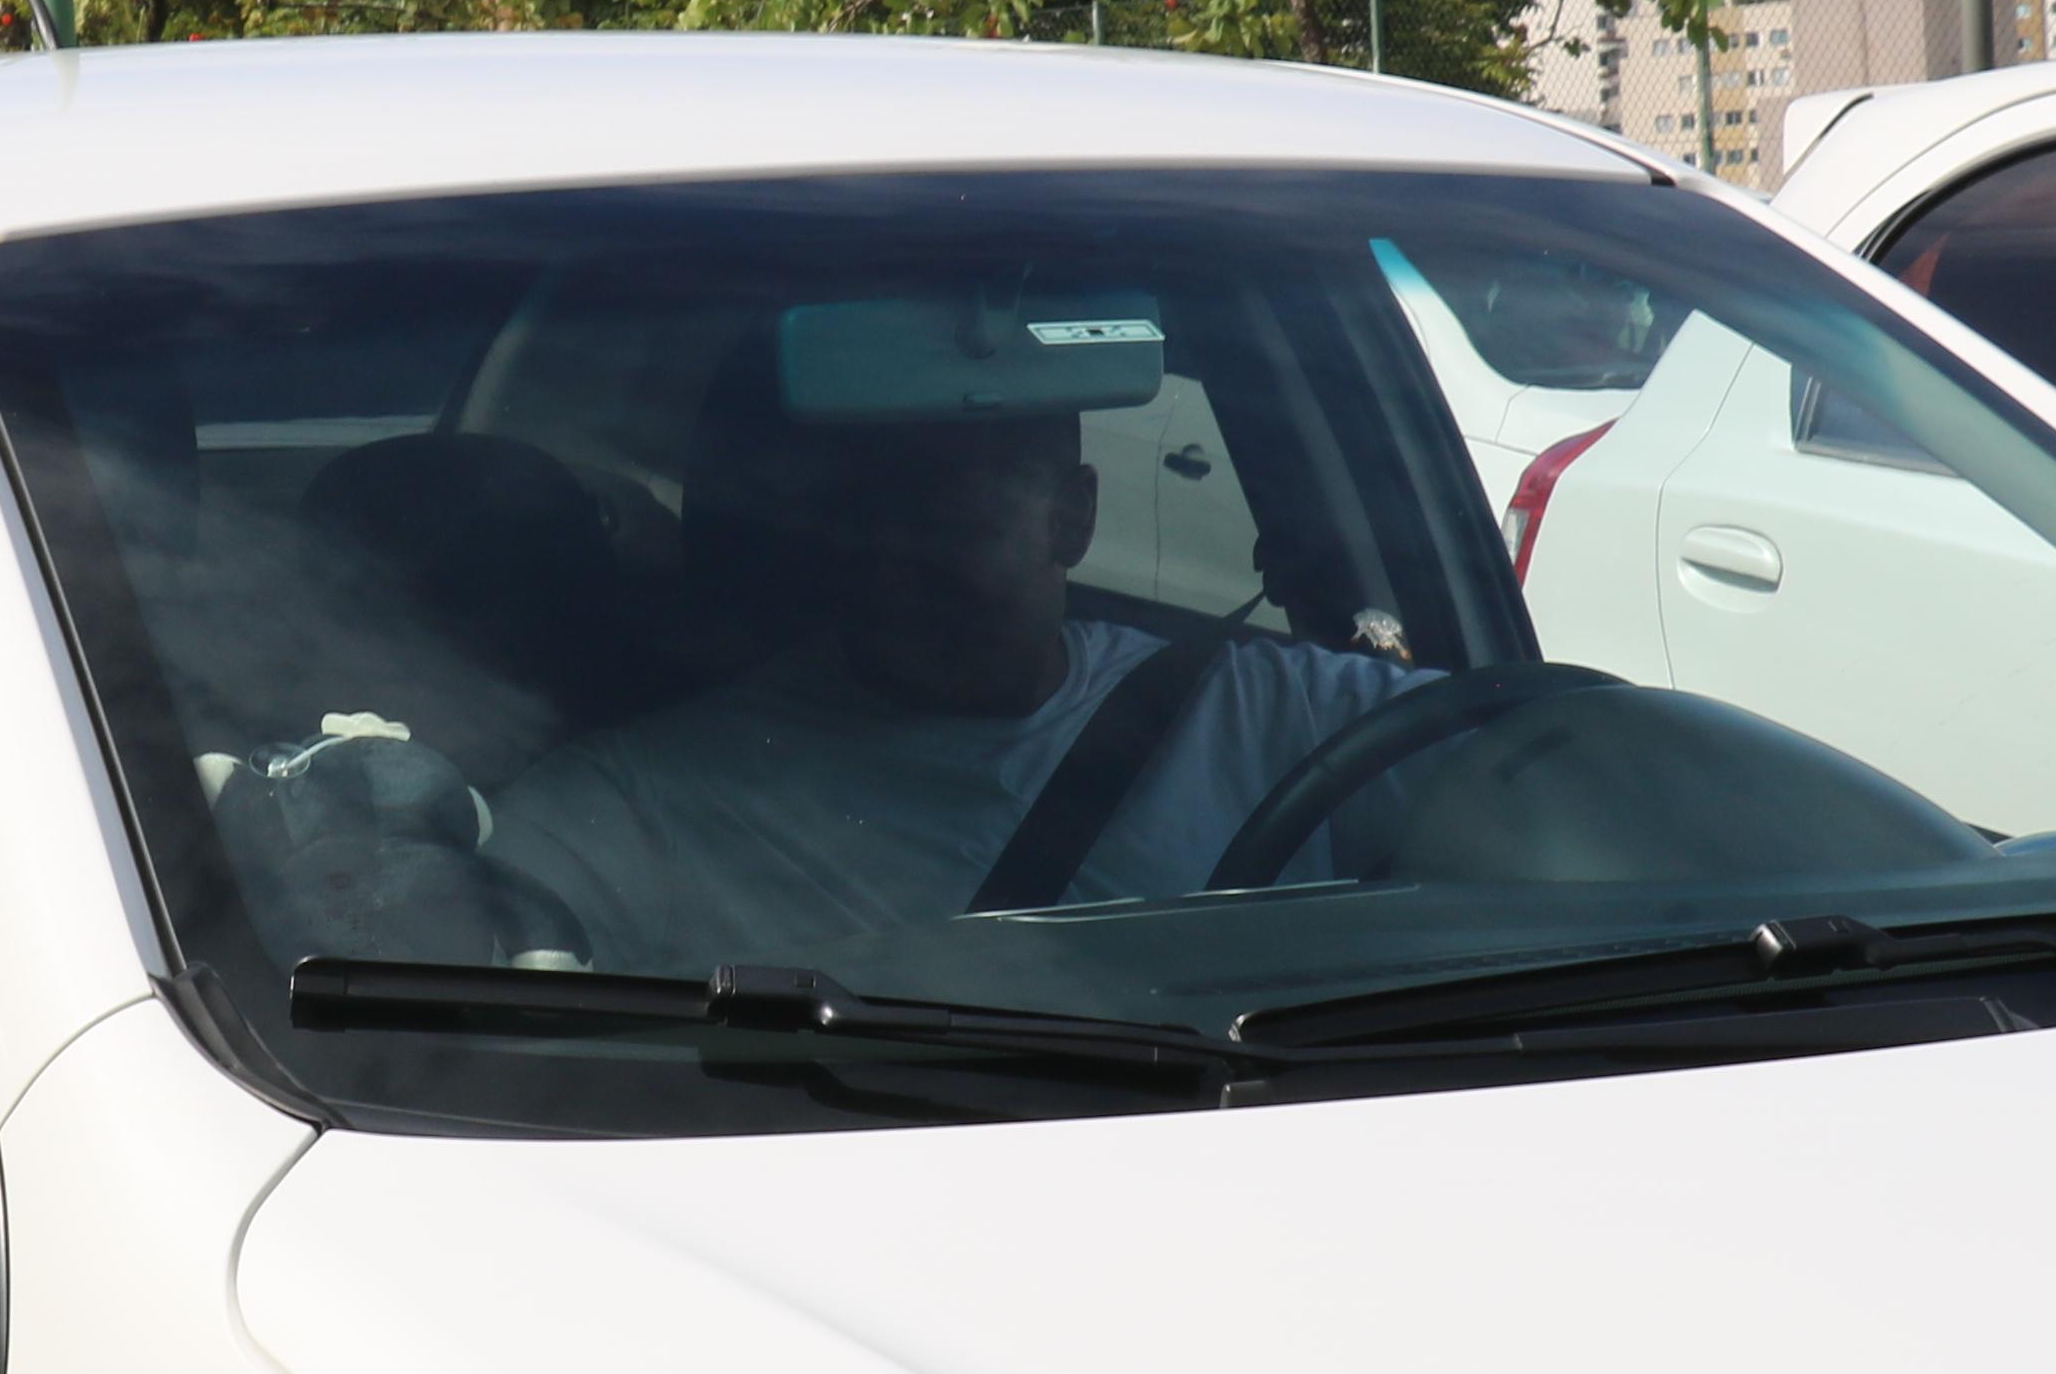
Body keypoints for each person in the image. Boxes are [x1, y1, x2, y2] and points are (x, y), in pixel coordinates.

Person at [486, 399, 1428, 967]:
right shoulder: (642, 800)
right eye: (857, 529)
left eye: (943, 529)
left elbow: (1548, 758)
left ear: (1073, 520)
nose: (890, 574)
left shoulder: (1292, 716)